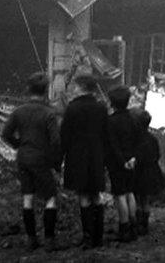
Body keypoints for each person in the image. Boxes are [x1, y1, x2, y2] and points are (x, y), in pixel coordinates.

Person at [0, 72, 62, 251]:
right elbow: (56, 141)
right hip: (41, 159)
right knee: (50, 198)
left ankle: (31, 239)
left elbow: (5, 134)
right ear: (45, 90)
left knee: (27, 198)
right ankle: (49, 240)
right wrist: (56, 163)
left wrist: (20, 145)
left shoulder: (19, 111)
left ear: (29, 89)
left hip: (23, 158)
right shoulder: (49, 113)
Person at [60, 74, 108, 248]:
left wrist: (59, 159)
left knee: (83, 195)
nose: (73, 88)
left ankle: (88, 237)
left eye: (75, 86)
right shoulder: (101, 108)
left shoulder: (72, 108)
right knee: (97, 195)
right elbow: (106, 135)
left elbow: (64, 136)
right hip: (97, 156)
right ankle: (99, 237)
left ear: (81, 88)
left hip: (77, 157)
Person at [106, 85, 141, 242]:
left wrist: (122, 162)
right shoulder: (134, 118)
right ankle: (134, 226)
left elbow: (112, 145)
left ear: (112, 103)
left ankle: (124, 227)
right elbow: (137, 141)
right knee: (130, 193)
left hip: (117, 163)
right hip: (132, 161)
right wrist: (133, 158)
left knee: (120, 196)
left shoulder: (111, 121)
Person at [133, 109, 165, 236]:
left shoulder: (136, 140)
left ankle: (139, 223)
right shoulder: (152, 139)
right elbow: (157, 155)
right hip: (151, 172)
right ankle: (145, 224)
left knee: (137, 199)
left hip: (139, 172)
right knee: (145, 199)